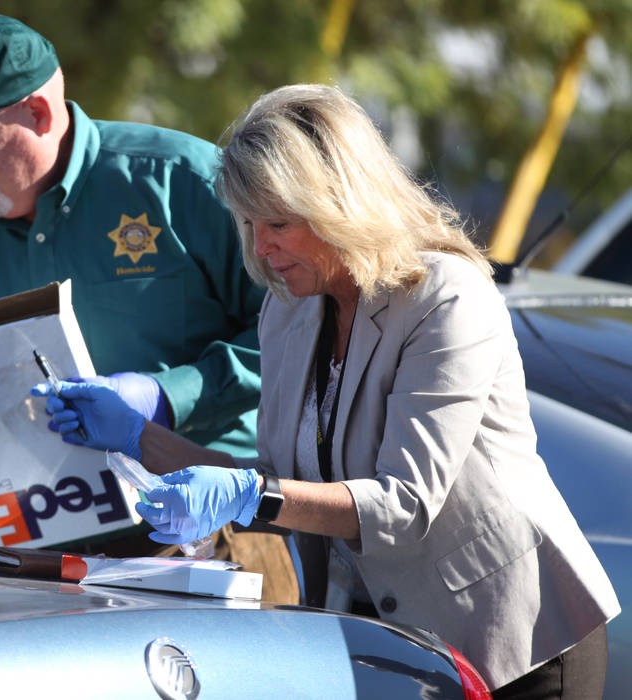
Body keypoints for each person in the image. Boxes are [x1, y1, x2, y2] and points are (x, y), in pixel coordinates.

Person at [34, 83, 620, 696]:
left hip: (517, 643)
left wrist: (246, 495)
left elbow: (402, 504)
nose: (261, 248)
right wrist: (138, 437)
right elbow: (276, 479)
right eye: (249, 223)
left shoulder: (445, 295)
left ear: (341, 198)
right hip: (398, 647)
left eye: (279, 223)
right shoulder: (289, 309)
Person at [0, 14, 296, 600]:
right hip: (29, 569)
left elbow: (295, 337)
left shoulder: (183, 184)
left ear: (39, 114)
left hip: (207, 536)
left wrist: (166, 397)